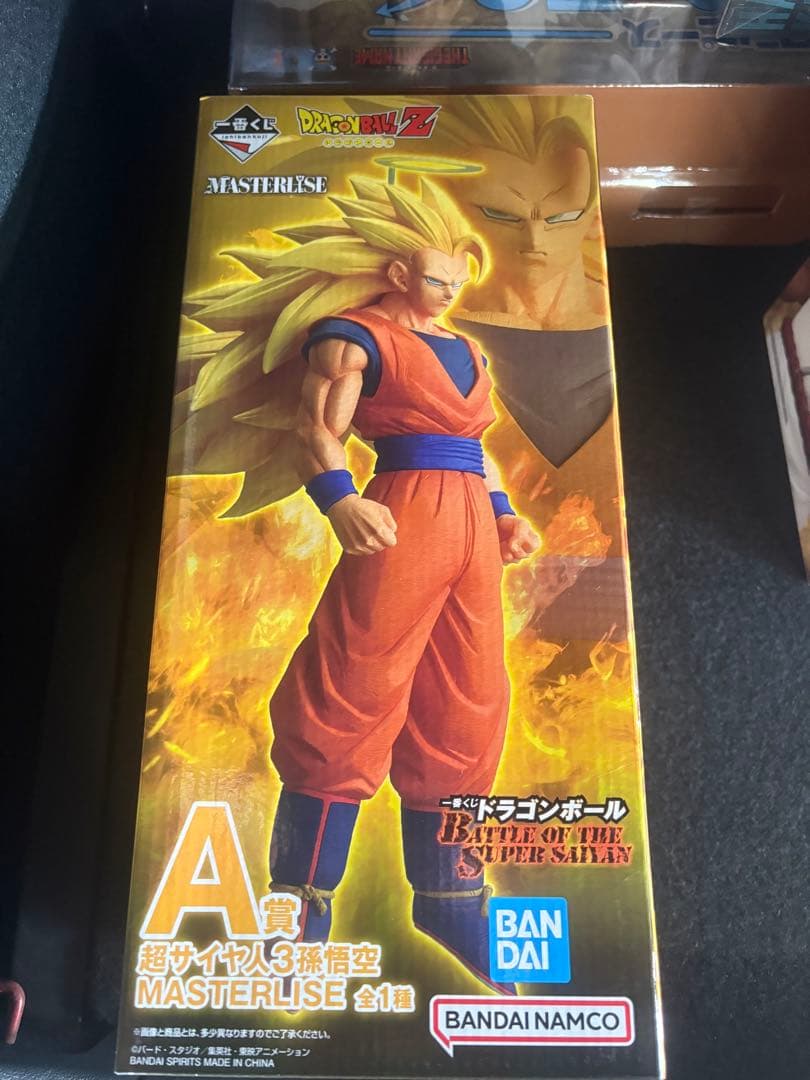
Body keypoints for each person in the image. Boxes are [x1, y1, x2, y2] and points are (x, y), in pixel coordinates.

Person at [177, 177, 538, 994]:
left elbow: (475, 447)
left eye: (458, 280)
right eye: (436, 278)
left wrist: (505, 514)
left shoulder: (468, 350)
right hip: (401, 514)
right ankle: (299, 903)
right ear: (398, 273)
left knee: (469, 699)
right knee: (352, 685)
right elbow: (316, 429)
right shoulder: (354, 338)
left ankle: (450, 897)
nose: (450, 292)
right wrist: (339, 500)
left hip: (471, 526)